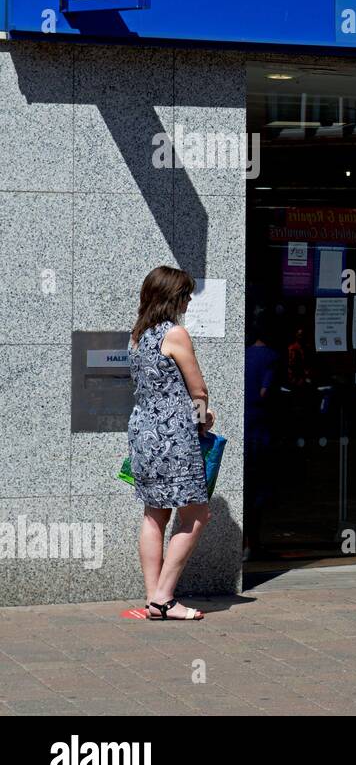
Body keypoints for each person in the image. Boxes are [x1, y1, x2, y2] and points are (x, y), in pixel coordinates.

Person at [127, 266, 214, 620]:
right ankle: (164, 597)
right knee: (197, 514)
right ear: (172, 297)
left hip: (143, 432)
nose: (189, 300)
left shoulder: (135, 336)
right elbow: (198, 390)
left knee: (154, 514)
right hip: (173, 437)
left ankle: (153, 599)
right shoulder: (174, 334)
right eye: (185, 294)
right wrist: (204, 418)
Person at [242, 318, 278, 561]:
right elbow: (266, 391)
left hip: (245, 424)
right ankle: (253, 543)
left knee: (248, 485)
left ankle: (246, 543)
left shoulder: (243, 354)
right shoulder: (271, 357)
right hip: (260, 427)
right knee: (260, 487)